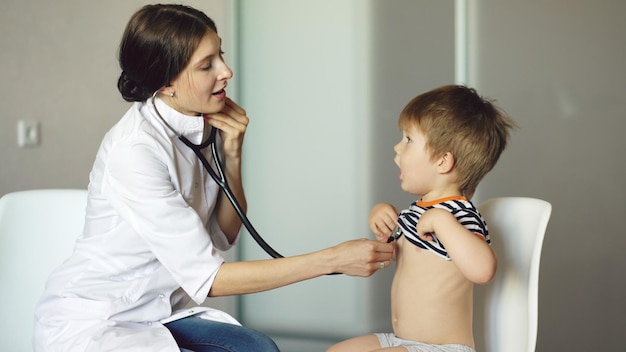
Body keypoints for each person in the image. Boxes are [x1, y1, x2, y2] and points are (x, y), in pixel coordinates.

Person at [33, 4, 394, 352]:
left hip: (158, 310)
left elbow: (225, 233)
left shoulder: (199, 123)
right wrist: (332, 260)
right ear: (166, 83)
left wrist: (233, 153)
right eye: (207, 66)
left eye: (220, 55)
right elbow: (212, 279)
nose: (226, 72)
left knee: (257, 348)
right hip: (102, 320)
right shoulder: (135, 152)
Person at [327, 85, 517, 352]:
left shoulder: (458, 214)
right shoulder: (418, 210)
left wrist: (441, 221)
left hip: (442, 348)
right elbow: (406, 258)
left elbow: (483, 269)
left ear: (442, 161)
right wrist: (382, 218)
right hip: (405, 341)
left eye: (408, 140)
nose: (396, 148)